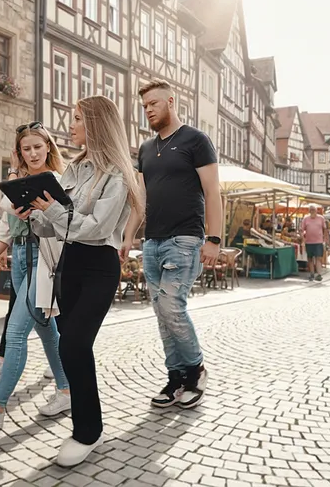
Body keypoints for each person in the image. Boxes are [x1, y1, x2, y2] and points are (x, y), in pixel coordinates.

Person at [26, 95, 141, 467]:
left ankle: (87, 431)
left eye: (77, 119)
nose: (70, 125)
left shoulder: (118, 175)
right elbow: (53, 228)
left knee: (74, 345)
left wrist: (55, 212)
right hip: (68, 263)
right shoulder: (74, 169)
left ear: (95, 125)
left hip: (99, 267)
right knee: (71, 348)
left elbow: (96, 229)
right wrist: (32, 212)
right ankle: (85, 422)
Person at [0, 121, 71, 429]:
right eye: (26, 149)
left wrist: (38, 213)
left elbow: (64, 226)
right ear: (19, 153)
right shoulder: (18, 182)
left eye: (38, 147)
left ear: (48, 146)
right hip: (21, 256)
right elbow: (6, 229)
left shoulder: (58, 181)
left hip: (45, 258)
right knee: (46, 330)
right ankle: (66, 390)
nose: (33, 153)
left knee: (15, 332)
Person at [125, 79, 221, 414]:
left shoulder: (196, 140)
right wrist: (128, 237)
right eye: (144, 106)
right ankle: (175, 376)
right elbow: (140, 199)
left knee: (171, 307)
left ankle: (195, 370)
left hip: (185, 238)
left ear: (170, 100)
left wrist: (214, 238)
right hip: (152, 241)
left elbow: (212, 192)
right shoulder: (146, 149)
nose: (148, 109)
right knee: (161, 313)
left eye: (153, 103)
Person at [300, 204, 327, 282]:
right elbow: (302, 229)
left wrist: (325, 238)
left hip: (318, 241)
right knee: (310, 258)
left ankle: (319, 274)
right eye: (311, 210)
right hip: (309, 242)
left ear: (316, 211)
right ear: (309, 211)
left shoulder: (321, 218)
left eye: (313, 210)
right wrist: (302, 238)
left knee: (318, 258)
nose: (312, 211)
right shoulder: (306, 218)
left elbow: (324, 229)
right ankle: (312, 273)